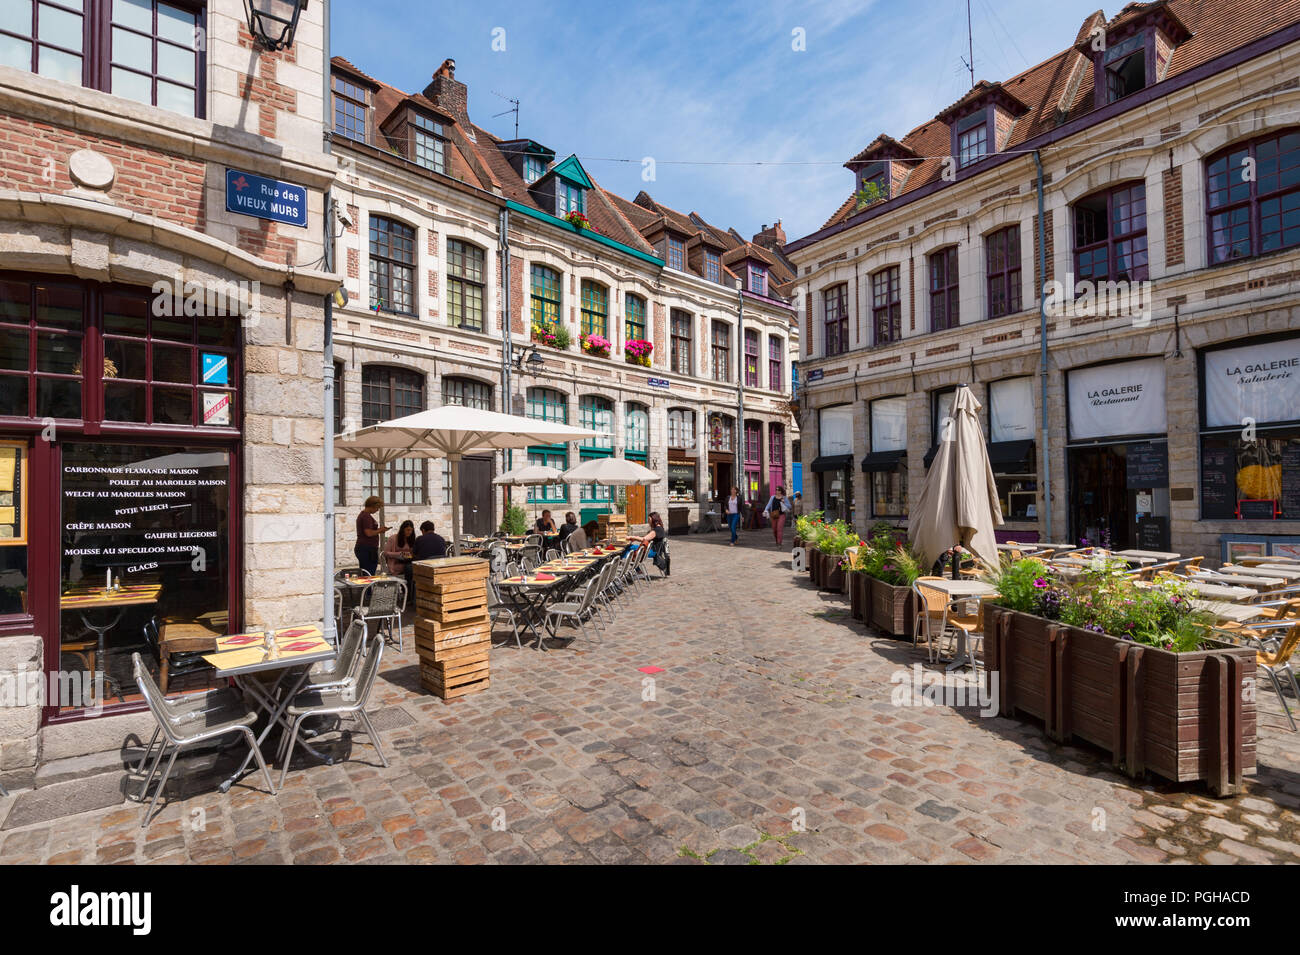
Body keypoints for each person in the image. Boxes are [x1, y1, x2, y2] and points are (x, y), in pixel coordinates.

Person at [354, 496, 389, 574]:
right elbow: (368, 533)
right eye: (377, 507)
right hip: (367, 549)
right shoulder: (366, 516)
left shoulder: (364, 515)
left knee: (367, 572)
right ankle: (368, 586)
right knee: (369, 573)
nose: (377, 510)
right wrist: (380, 530)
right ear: (373, 506)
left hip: (366, 548)